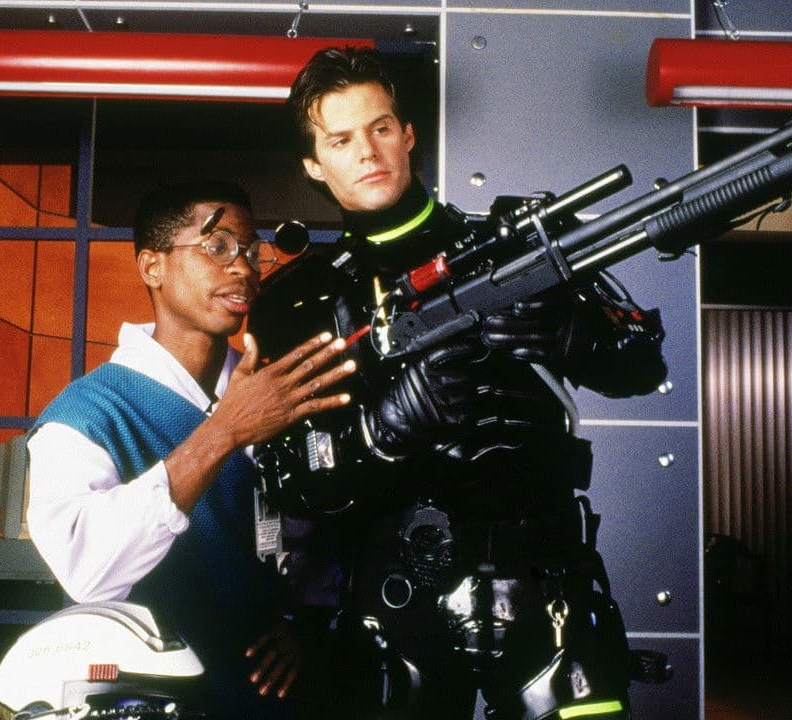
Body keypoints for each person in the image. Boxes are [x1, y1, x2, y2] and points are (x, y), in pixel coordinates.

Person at [248, 48, 670, 719]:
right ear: (313, 165)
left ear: (408, 134)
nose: (367, 152)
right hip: (388, 608)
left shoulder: (519, 247)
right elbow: (289, 485)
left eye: (380, 128)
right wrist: (379, 432)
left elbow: (643, 367)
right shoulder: (298, 303)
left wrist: (572, 335)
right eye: (341, 140)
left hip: (546, 592)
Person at [25, 180, 356, 719]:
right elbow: (87, 572)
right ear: (152, 266)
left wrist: (307, 621)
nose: (243, 269)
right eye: (217, 246)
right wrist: (222, 433)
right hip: (149, 699)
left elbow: (322, 530)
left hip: (270, 699)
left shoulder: (275, 388)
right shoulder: (84, 415)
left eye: (251, 252)